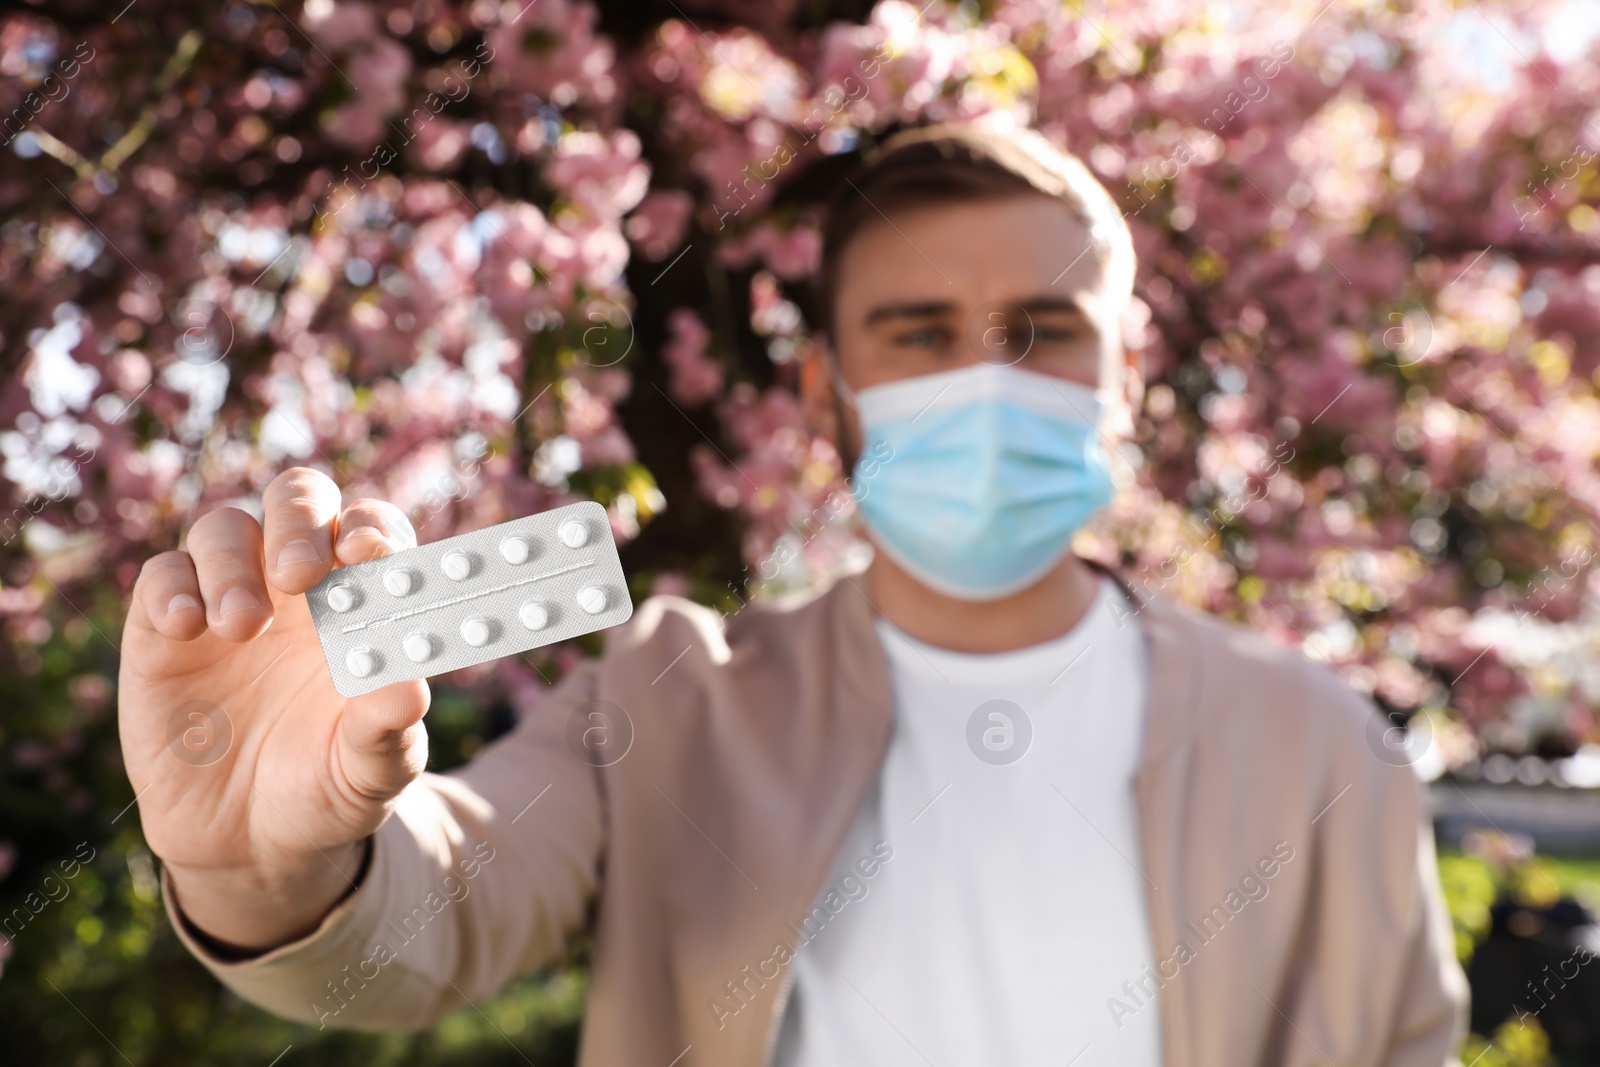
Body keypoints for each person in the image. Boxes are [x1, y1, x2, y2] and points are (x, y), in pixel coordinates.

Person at [118, 123, 1469, 1066]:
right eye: (920, 335)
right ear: (826, 393)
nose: (986, 380)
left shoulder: (1322, 748)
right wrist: (272, 864)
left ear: (1123, 379)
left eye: (1044, 331)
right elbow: (452, 902)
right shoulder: (670, 697)